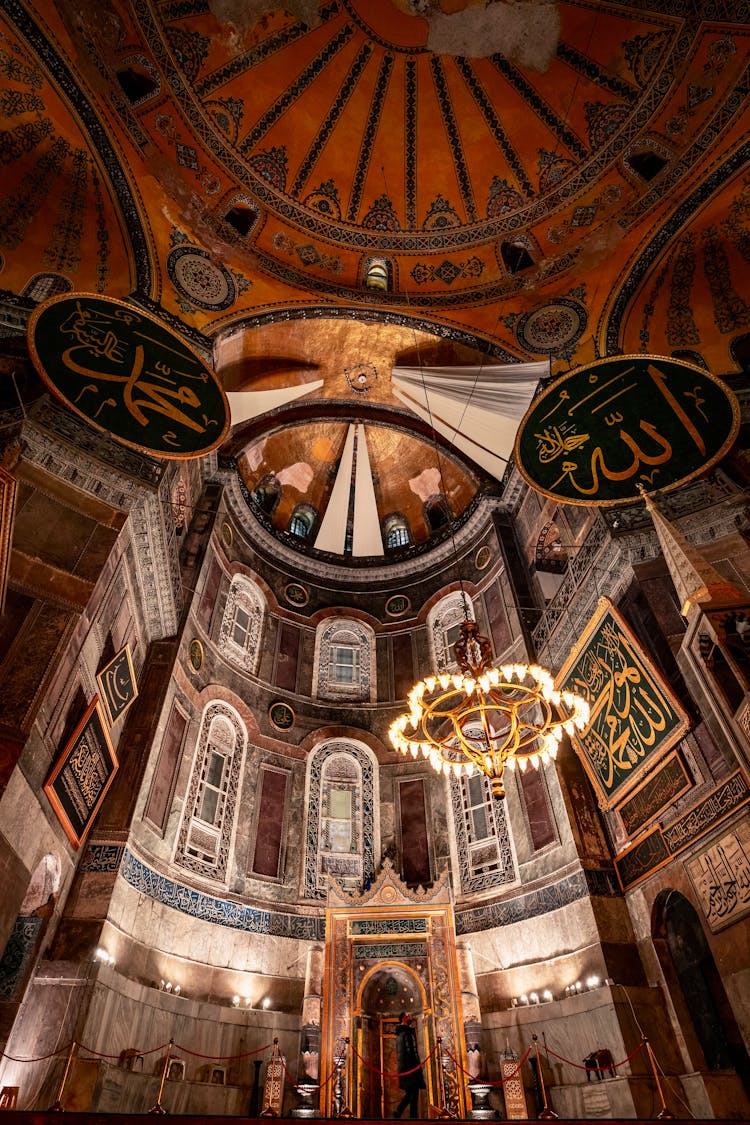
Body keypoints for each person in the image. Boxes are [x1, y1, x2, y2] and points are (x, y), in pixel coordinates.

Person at [394, 1011, 426, 1119]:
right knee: (412, 1092)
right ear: (403, 1018)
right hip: (410, 1069)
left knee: (414, 1093)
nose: (410, 1017)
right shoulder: (405, 1033)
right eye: (408, 1016)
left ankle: (413, 1117)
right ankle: (399, 1111)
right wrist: (415, 1069)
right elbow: (409, 1052)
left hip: (408, 1068)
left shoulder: (404, 1033)